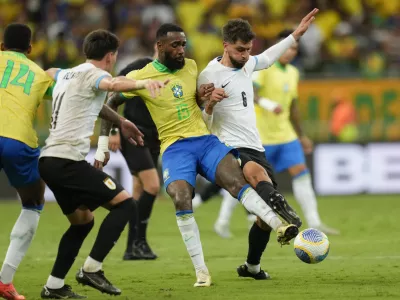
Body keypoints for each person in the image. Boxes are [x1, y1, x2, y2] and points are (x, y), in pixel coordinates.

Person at [97, 23, 300, 287]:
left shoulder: (193, 67)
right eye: (175, 45)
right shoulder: (144, 75)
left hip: (205, 141)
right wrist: (108, 138)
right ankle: (201, 271)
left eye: (183, 44)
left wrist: (205, 98)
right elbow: (110, 101)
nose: (182, 50)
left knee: (237, 182)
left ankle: (278, 226)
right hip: (174, 147)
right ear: (160, 46)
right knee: (181, 198)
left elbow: (195, 100)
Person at [38, 29, 167, 299]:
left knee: (82, 223)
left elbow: (51, 73)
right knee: (126, 204)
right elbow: (113, 85)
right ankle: (91, 269)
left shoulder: (67, 74)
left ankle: (54, 286)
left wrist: (121, 121)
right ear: (110, 56)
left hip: (48, 160)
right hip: (68, 161)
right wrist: (143, 84)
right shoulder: (95, 75)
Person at [198, 9, 319, 280]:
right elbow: (202, 122)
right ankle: (281, 206)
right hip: (227, 146)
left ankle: (252, 267)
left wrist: (295, 35)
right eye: (240, 50)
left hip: (255, 145)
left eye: (248, 50)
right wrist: (210, 104)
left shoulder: (249, 63)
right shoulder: (209, 75)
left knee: (263, 221)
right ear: (225, 45)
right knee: (255, 173)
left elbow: (267, 57)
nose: (245, 55)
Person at [253, 29, 340, 235]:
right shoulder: (263, 68)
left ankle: (315, 221)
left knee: (301, 172)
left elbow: (293, 107)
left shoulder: (293, 72)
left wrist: (301, 135)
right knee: (253, 179)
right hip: (263, 136)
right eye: (287, 47)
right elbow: (253, 93)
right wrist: (268, 104)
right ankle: (223, 221)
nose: (290, 52)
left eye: (294, 48)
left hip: (286, 135)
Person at [0, 23, 54, 300]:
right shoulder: (38, 74)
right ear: (30, 49)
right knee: (33, 201)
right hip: (17, 140)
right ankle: (5, 281)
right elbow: (69, 97)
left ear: (1, 46)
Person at [107, 55, 161, 261]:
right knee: (153, 186)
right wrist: (113, 129)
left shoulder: (175, 73)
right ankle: (138, 242)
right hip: (133, 133)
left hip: (155, 137)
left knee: (139, 190)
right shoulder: (140, 66)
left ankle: (133, 247)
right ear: (159, 47)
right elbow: (113, 93)